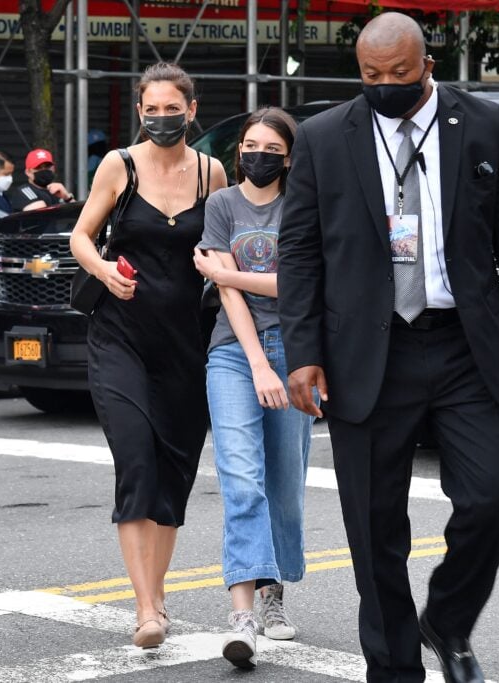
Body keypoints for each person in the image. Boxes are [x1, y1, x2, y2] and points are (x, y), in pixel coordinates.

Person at [277, 13, 499, 683]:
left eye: (398, 75)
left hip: (464, 343)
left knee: (493, 494)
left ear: (426, 64)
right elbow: (300, 251)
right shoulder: (323, 137)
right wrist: (301, 350)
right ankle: (394, 668)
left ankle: (448, 619)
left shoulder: (482, 122)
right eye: (370, 77)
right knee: (375, 531)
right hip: (366, 353)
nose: (384, 87)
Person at [69, 61, 226, 649]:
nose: (162, 118)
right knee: (136, 460)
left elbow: (223, 244)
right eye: (151, 109)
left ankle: (157, 595)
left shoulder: (213, 172)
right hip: (120, 336)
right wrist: (105, 269)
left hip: (186, 341)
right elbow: (81, 235)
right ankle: (145, 611)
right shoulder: (120, 165)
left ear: (191, 109)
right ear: (140, 111)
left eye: (172, 108)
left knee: (173, 474)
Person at [193, 107, 313, 669]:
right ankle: (242, 613)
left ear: (288, 157)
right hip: (233, 353)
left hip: (296, 352)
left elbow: (295, 284)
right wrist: (257, 363)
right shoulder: (222, 204)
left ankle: (274, 592)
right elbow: (230, 298)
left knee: (284, 484)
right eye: (248, 144)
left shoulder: (301, 205)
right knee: (242, 479)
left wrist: (225, 273)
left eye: (269, 147)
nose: (256, 154)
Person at [7, 147, 73, 211]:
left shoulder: (56, 191)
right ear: (28, 172)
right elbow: (41, 212)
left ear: (53, 168)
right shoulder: (24, 191)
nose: (44, 171)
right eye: (38, 168)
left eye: (47, 166)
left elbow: (78, 215)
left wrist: (67, 198)